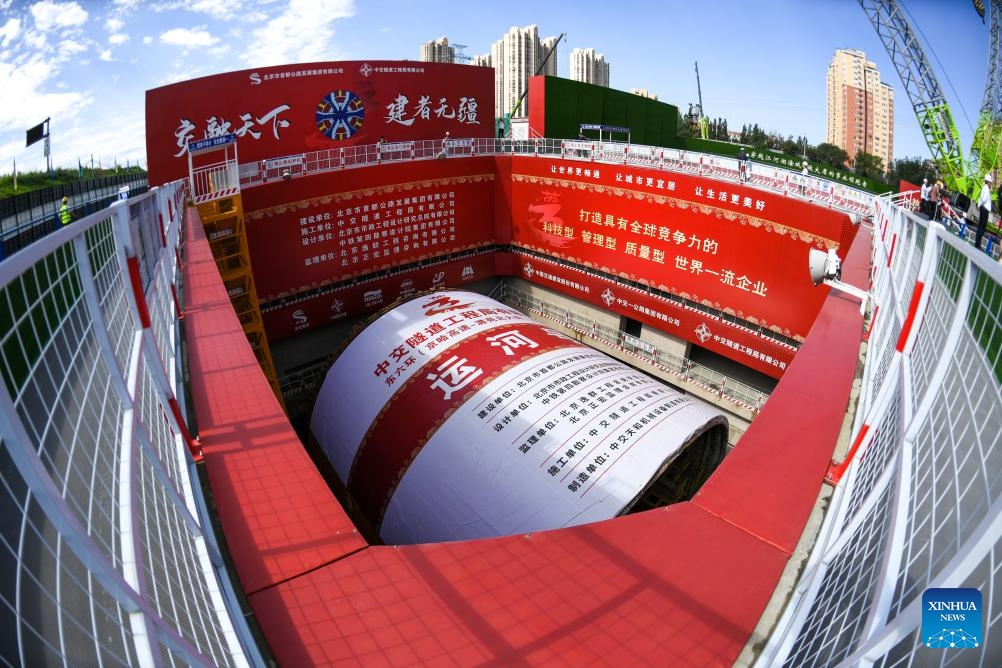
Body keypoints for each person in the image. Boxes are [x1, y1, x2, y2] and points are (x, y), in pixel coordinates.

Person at [976, 173, 993, 251]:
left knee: (981, 225)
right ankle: (978, 244)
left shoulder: (984, 188)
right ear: (988, 181)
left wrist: (979, 205)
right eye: (991, 182)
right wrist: (980, 205)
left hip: (983, 209)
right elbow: (984, 199)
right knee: (982, 226)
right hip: (985, 210)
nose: (991, 183)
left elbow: (981, 198)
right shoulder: (986, 189)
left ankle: (977, 243)